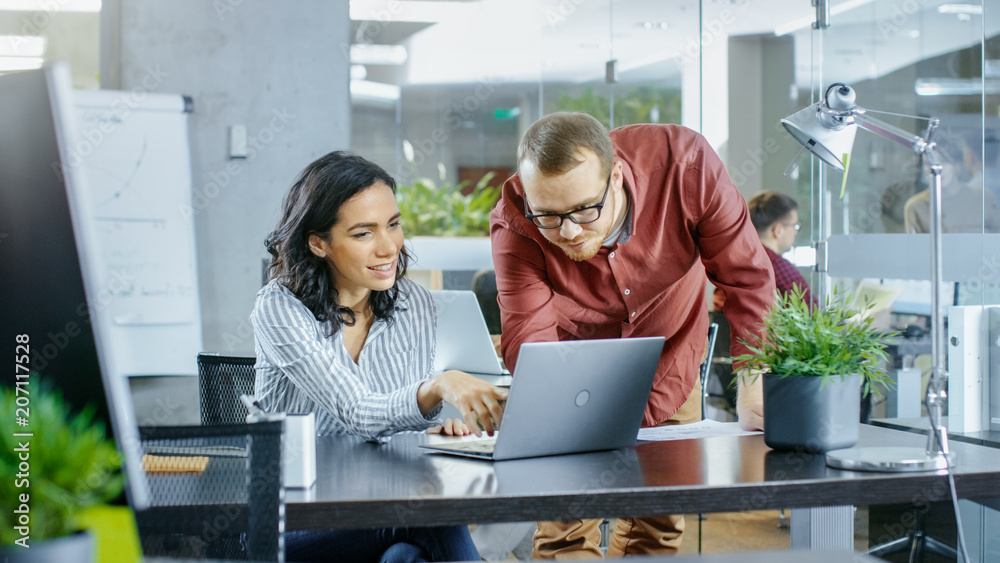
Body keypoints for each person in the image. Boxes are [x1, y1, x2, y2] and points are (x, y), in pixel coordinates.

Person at [489, 112, 775, 557]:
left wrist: (753, 384)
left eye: (585, 210)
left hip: (671, 362)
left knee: (656, 529)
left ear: (616, 175)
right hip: (572, 381)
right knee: (565, 527)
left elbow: (748, 279)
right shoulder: (515, 221)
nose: (567, 231)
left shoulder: (687, 167)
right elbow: (530, 341)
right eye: (548, 215)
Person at [252, 151, 507, 562]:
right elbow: (358, 410)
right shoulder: (280, 309)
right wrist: (438, 386)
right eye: (363, 234)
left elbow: (396, 428)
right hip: (294, 523)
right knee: (428, 516)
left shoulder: (416, 305)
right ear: (318, 243)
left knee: (406, 558)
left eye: (393, 224)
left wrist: (441, 423)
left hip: (381, 507)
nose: (388, 247)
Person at [713, 191, 813, 312]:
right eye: (795, 226)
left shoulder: (732, 261)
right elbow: (808, 316)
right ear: (778, 230)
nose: (795, 232)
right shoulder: (778, 266)